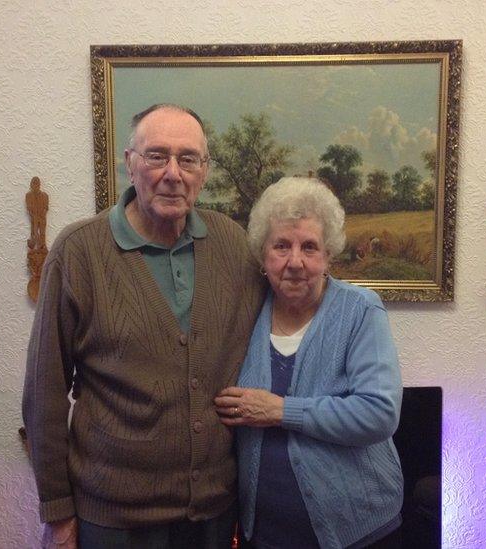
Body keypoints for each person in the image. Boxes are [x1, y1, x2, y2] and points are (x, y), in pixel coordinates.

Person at [23, 104, 265, 549]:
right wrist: (57, 513)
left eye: (188, 158)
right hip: (115, 521)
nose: (173, 173)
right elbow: (45, 390)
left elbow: (290, 300)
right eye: (157, 156)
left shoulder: (231, 243)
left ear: (204, 171)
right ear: (130, 163)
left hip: (212, 513)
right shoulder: (79, 252)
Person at [214, 177, 404, 549]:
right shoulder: (244, 314)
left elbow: (379, 413)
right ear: (262, 254)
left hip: (359, 532)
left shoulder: (360, 311)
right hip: (265, 534)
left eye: (310, 247)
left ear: (329, 254)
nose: (295, 262)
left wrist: (281, 411)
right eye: (281, 245)